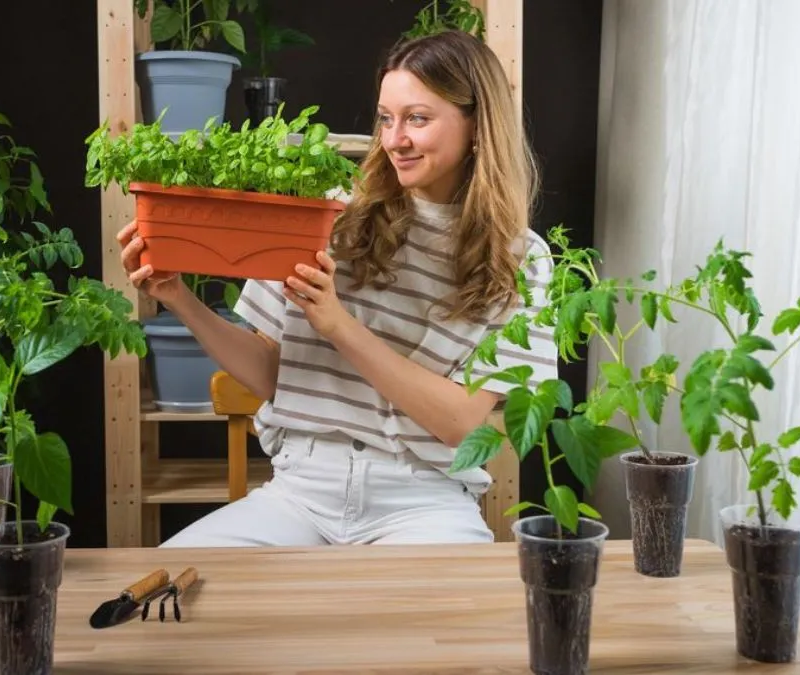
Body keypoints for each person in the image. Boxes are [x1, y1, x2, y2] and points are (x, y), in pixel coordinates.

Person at [116, 30, 557, 547]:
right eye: (386, 118)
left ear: (477, 124)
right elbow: (270, 372)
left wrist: (340, 327)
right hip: (300, 491)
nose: (395, 140)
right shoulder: (326, 215)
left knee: (447, 621)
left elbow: (461, 423)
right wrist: (177, 298)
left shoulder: (521, 258)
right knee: (167, 598)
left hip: (424, 499)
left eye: (417, 118)